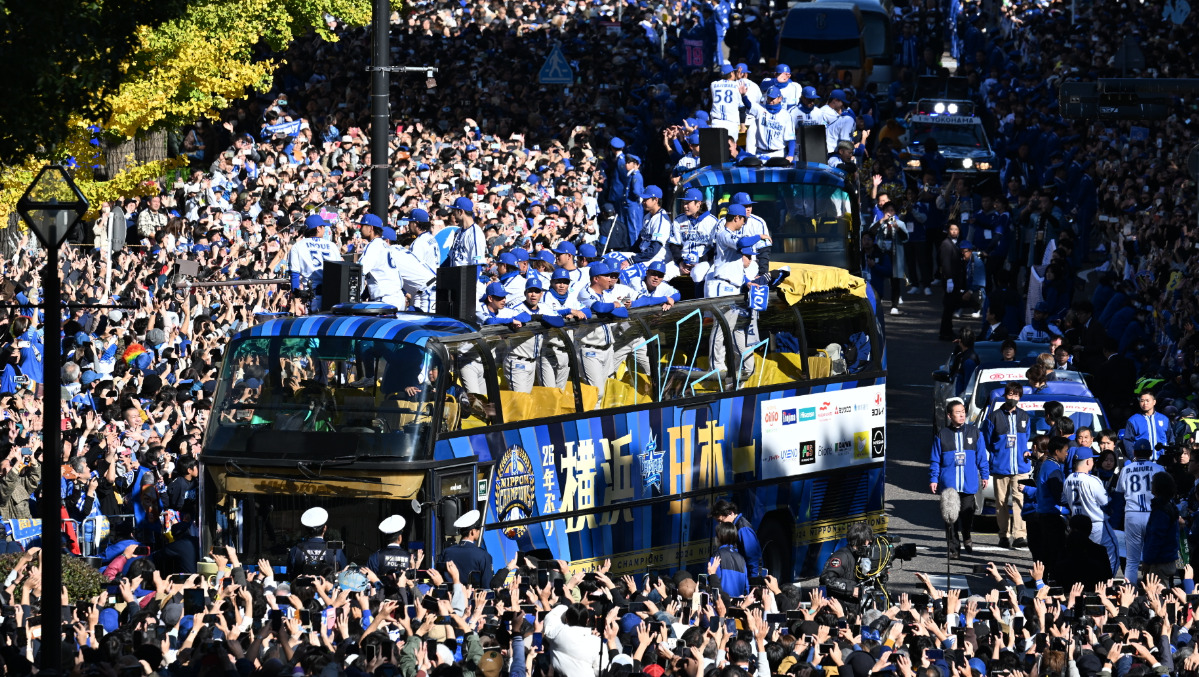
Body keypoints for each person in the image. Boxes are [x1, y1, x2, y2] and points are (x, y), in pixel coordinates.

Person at [929, 399, 989, 558]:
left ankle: (967, 536)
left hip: (968, 483)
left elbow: (982, 457)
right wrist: (934, 478)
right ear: (949, 415)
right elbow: (935, 459)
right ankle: (953, 549)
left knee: (967, 514)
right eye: (958, 412)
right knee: (950, 518)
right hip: (949, 485)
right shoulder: (942, 434)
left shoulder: (974, 432)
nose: (962, 415)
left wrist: (985, 475)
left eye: (963, 411)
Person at [981, 383, 1031, 549]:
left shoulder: (1024, 416)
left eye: (1016, 395)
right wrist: (997, 455)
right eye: (1010, 394)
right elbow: (987, 440)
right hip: (1001, 467)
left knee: (1020, 500)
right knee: (1001, 502)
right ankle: (1003, 535)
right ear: (1005, 395)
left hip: (1021, 468)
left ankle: (1020, 535)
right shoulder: (994, 416)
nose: (1013, 398)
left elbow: (1027, 438)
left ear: (1020, 397)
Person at [1062, 447, 1119, 576]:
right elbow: (1106, 503)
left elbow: (1063, 500)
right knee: (1112, 551)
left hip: (1077, 526)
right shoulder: (1092, 480)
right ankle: (1107, 583)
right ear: (1088, 462)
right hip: (1096, 524)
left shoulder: (1068, 479)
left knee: (1082, 555)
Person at [1117, 439, 1157, 584]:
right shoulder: (1158, 468)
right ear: (1150, 453)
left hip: (1132, 513)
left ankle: (1130, 592)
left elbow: (1119, 494)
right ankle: (1152, 593)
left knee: (1132, 560)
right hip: (1152, 514)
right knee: (1153, 558)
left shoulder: (1126, 469)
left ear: (1134, 452)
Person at [287, 214, 342, 312]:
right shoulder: (332, 246)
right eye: (323, 227)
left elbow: (294, 274)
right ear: (318, 228)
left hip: (312, 296)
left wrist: (296, 300)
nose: (324, 229)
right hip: (333, 295)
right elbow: (339, 270)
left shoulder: (298, 246)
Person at [819, 520, 873, 613]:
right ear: (862, 540)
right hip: (838, 609)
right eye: (868, 540)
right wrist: (852, 590)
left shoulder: (861, 556)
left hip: (854, 608)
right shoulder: (842, 556)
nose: (870, 543)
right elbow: (827, 579)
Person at [356, 214, 406, 308]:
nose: (360, 229)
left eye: (362, 226)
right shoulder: (383, 244)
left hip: (386, 300)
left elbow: (359, 269)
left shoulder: (374, 245)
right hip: (396, 297)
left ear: (370, 228)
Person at [671, 188, 717, 283]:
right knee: (662, 271)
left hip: (703, 261)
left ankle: (699, 297)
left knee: (697, 273)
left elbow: (715, 249)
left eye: (688, 203)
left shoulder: (712, 222)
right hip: (682, 261)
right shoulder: (678, 220)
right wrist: (680, 262)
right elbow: (674, 244)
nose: (685, 206)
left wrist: (699, 261)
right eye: (684, 203)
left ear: (698, 204)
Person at [1141, 471, 1180, 583]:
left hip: (1160, 561)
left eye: (1153, 483)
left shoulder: (1160, 510)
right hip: (1168, 558)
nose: (1151, 485)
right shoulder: (1170, 505)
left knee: (1157, 595)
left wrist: (1147, 560)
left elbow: (1156, 538)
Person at [439, 509, 493, 588]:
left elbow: (440, 577)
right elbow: (486, 587)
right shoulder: (483, 555)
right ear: (473, 532)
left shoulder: (447, 552)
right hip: (473, 598)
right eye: (478, 530)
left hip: (449, 598)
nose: (479, 532)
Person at [740, 85, 796, 160]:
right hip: (760, 153)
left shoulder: (786, 116)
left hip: (778, 154)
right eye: (769, 98)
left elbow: (791, 138)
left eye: (773, 98)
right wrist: (743, 95)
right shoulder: (761, 109)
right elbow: (749, 105)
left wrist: (790, 155)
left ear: (780, 99)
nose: (770, 101)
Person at [287, 507, 347, 576]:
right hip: (327, 586)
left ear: (306, 529)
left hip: (302, 586)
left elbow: (290, 572)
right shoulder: (335, 550)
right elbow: (343, 572)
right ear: (325, 528)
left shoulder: (296, 549)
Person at [711, 499, 762, 576]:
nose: (720, 524)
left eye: (721, 521)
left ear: (731, 513)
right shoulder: (737, 527)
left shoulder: (743, 529)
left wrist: (755, 580)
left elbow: (753, 557)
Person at [1123, 391, 1174, 458]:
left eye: (1147, 401)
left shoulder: (1164, 419)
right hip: (1141, 462)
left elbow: (1170, 439)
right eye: (1142, 401)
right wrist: (1133, 458)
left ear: (1154, 402)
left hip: (1162, 462)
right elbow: (1128, 441)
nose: (1145, 403)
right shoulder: (1133, 420)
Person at [447, 197, 486, 269]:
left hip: (466, 278)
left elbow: (477, 265)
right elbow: (451, 258)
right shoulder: (458, 232)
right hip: (454, 276)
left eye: (454, 211)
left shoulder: (475, 234)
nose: (453, 214)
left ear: (461, 212)